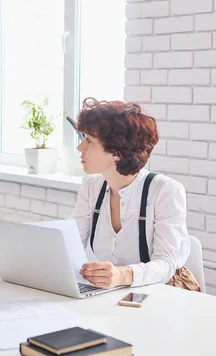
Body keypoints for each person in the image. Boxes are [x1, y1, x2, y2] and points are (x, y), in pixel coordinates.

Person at [71, 98, 200, 291]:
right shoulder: (91, 187)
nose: (80, 147)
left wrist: (122, 275)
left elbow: (165, 263)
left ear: (116, 152)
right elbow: (70, 242)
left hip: (166, 291)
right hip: (118, 292)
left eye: (89, 141)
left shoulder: (165, 191)